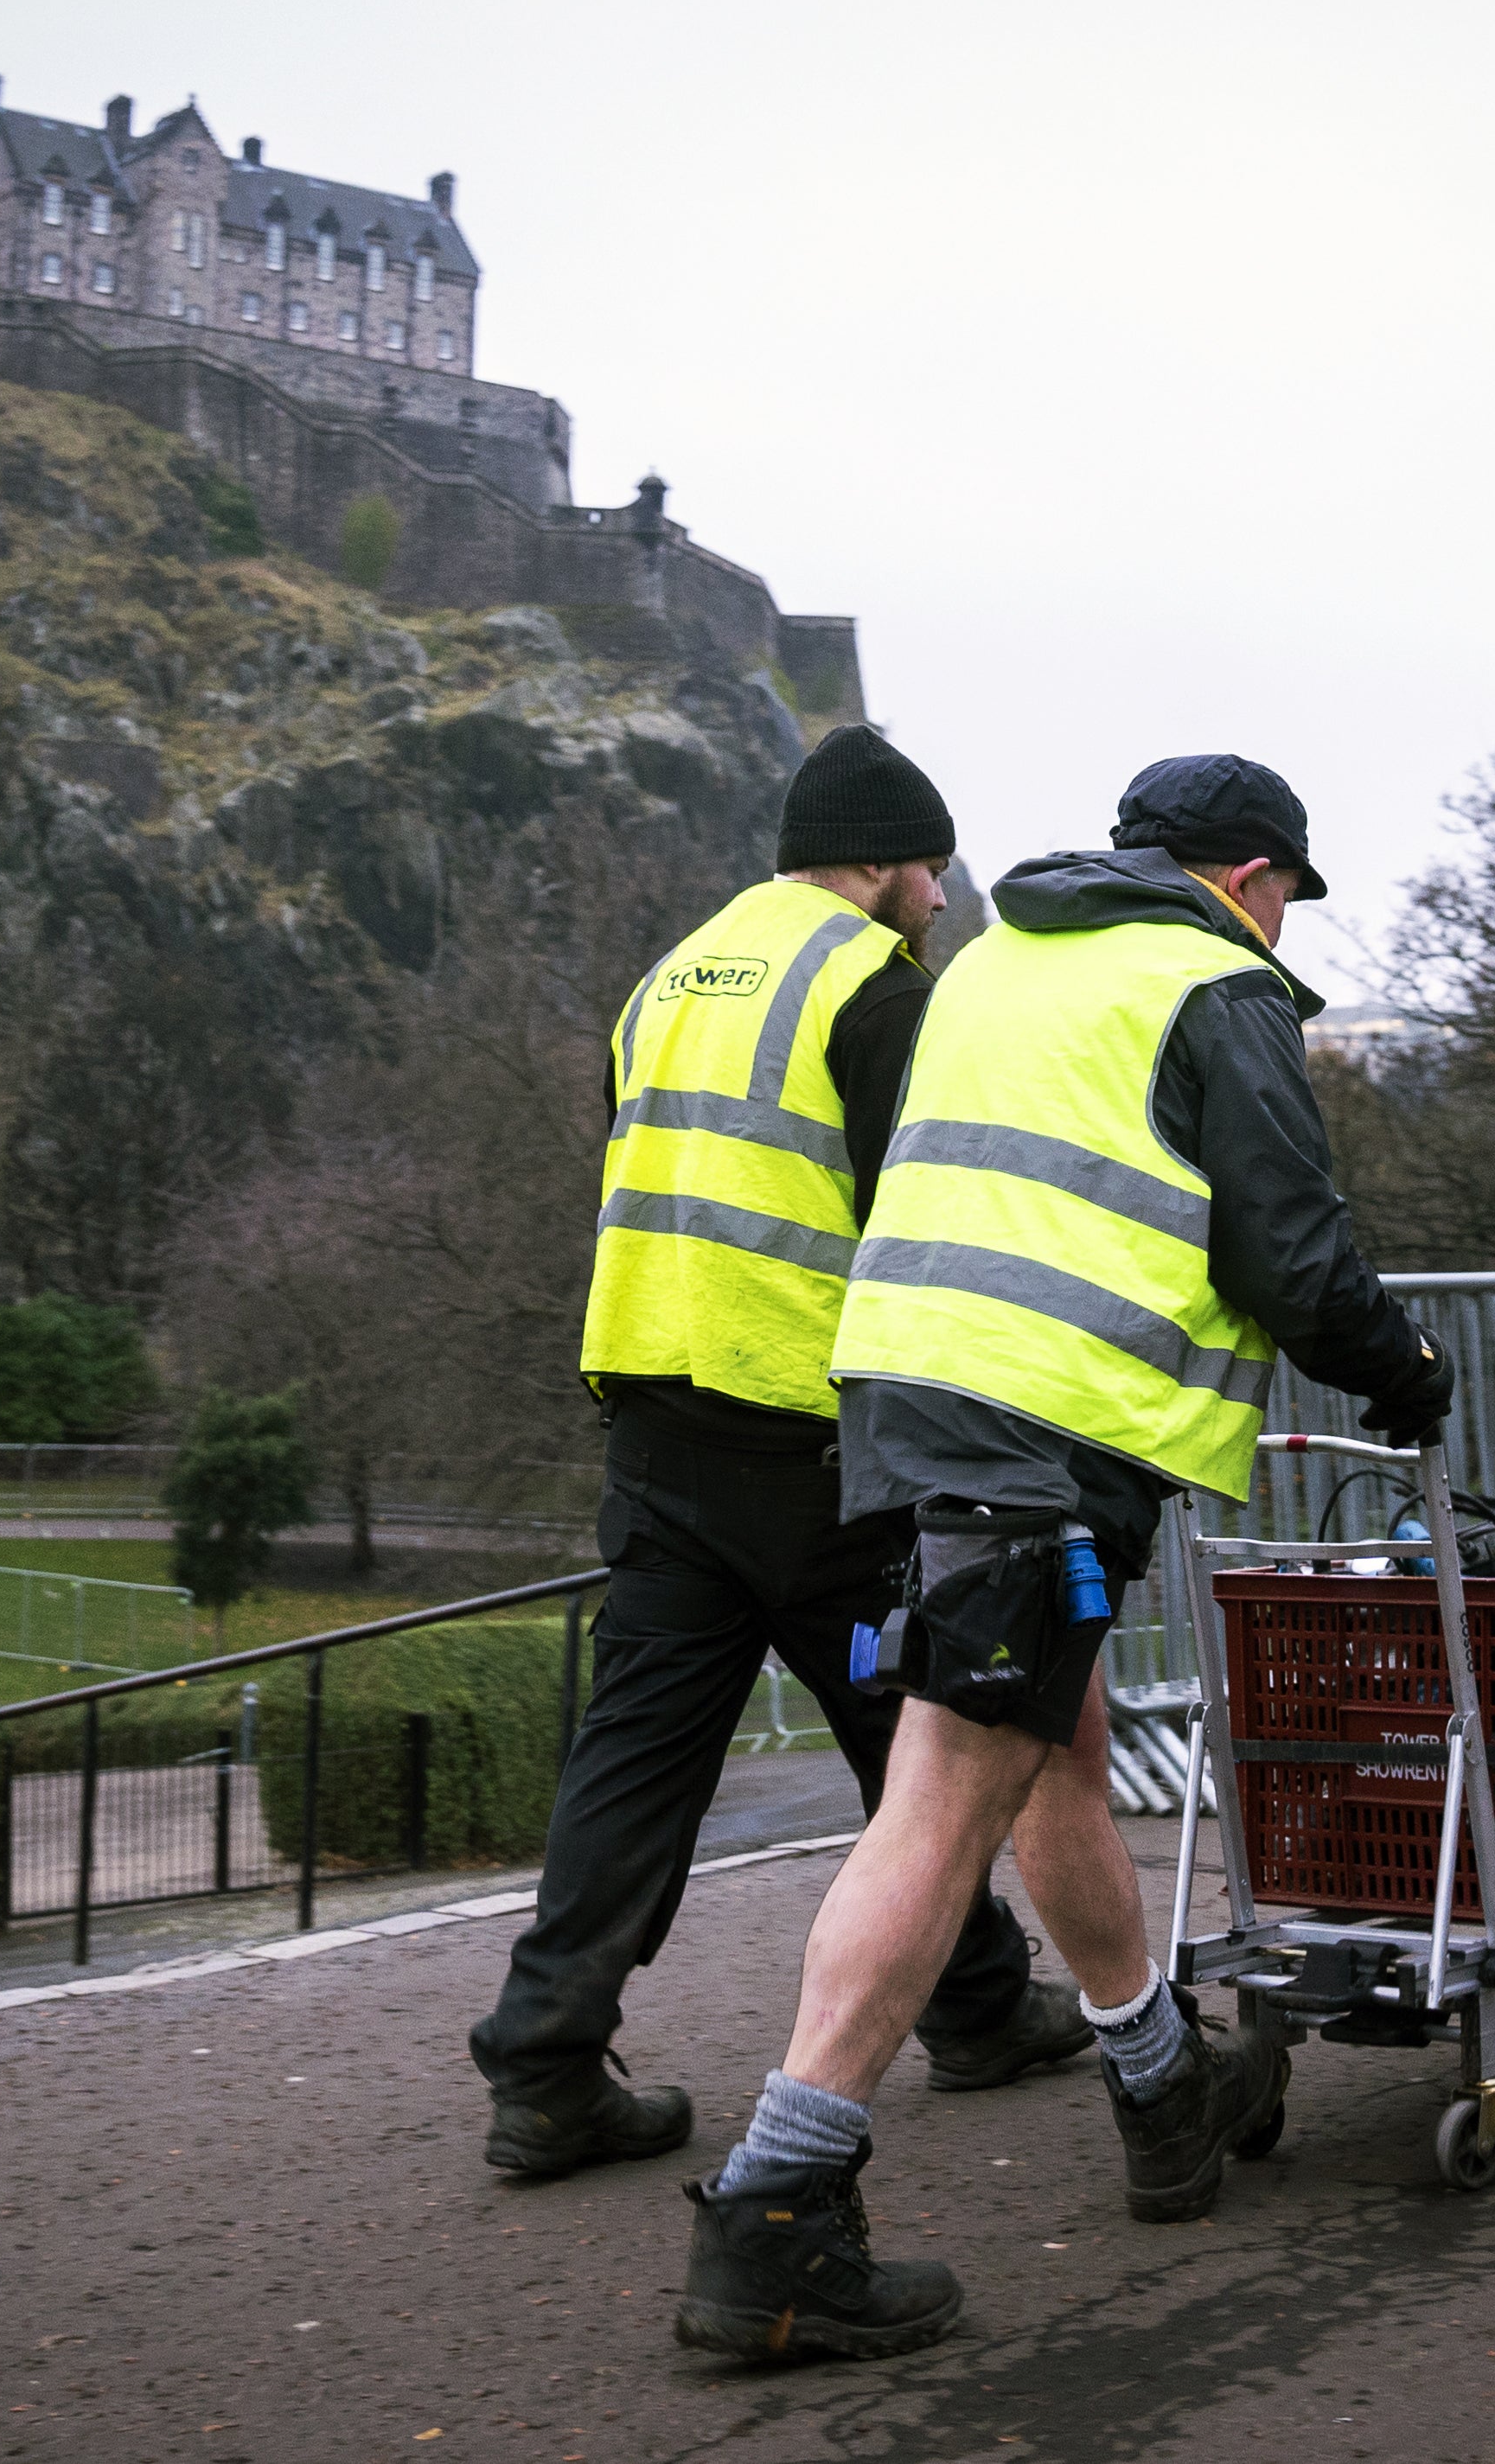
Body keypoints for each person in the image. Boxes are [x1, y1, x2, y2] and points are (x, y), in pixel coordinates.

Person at [673, 752, 1454, 2361]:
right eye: (1286, 898)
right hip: (1041, 1423)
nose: (1281, 925)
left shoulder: (987, 961)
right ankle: (777, 2206)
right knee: (953, 1783)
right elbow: (1293, 1259)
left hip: (907, 1392)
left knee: (1056, 1753)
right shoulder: (1213, 984)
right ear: (1250, 879)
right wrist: (1406, 1372)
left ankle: (1163, 2085)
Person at [470, 725, 1092, 2178]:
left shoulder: (668, 979)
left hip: (656, 1419)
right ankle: (985, 2010)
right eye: (929, 870)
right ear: (877, 863)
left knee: (636, 1759)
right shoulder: (872, 987)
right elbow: (925, 1212)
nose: (941, 899)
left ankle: (547, 2064)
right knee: (927, 1740)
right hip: (812, 1436)